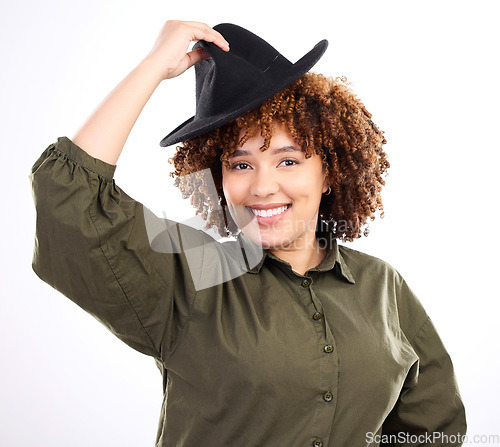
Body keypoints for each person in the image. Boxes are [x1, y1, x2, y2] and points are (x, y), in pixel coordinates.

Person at [30, 19, 466, 447]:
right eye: (240, 164)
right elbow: (67, 201)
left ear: (329, 172)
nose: (261, 186)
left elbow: (432, 428)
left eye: (288, 160)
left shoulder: (383, 286)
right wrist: (152, 67)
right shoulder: (194, 274)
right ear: (219, 179)